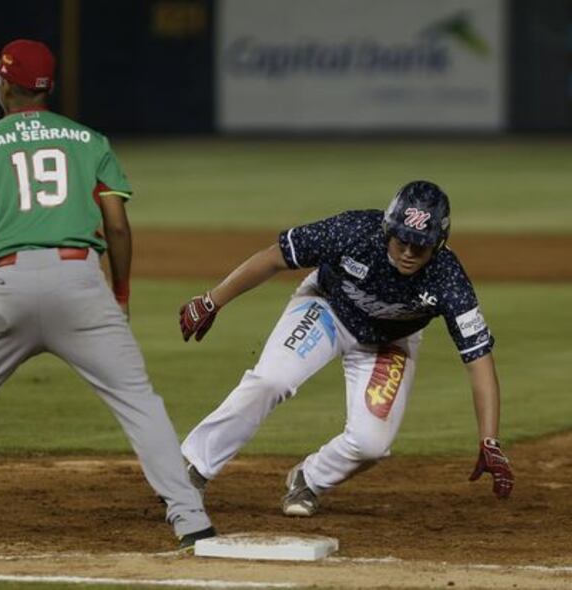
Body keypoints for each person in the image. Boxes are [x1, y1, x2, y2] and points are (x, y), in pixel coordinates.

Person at [0, 39, 214, 550]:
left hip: (10, 287)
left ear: (5, 83)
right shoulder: (89, 140)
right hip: (81, 286)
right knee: (139, 402)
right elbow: (116, 226)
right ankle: (189, 519)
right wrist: (121, 292)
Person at [178, 181, 514, 517]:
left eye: (421, 246)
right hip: (326, 309)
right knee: (271, 381)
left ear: (439, 244)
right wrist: (212, 300)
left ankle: (308, 480)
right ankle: (192, 468)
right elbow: (274, 257)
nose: (409, 252)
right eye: (403, 241)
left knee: (372, 445)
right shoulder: (352, 232)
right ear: (387, 230)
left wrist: (490, 440)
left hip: (389, 343)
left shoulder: (448, 278)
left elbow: (478, 359)